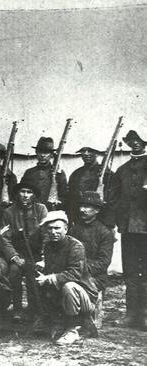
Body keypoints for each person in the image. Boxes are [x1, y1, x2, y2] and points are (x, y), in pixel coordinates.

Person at [34, 211, 99, 345]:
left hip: (84, 295)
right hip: (64, 294)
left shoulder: (76, 246)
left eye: (57, 228)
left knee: (68, 286)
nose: (53, 232)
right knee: (39, 280)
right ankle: (54, 321)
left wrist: (49, 277)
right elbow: (53, 269)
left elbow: (74, 274)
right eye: (50, 228)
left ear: (66, 229)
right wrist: (44, 268)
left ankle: (71, 330)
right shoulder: (49, 246)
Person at [107, 130, 147, 330]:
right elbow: (113, 198)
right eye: (131, 141)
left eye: (138, 141)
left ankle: (145, 316)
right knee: (130, 272)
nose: (135, 144)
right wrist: (119, 221)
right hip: (129, 229)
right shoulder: (122, 170)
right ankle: (131, 315)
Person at [0, 180, 48, 322]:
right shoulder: (9, 212)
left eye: (29, 192)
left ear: (34, 195)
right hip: (18, 253)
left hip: (36, 254)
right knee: (14, 272)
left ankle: (35, 309)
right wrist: (14, 257)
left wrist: (43, 257)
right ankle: (17, 309)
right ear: (17, 194)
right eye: (22, 192)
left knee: (35, 276)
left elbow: (46, 235)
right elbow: (4, 238)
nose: (25, 195)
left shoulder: (41, 210)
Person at [68, 191, 113, 329]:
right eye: (81, 206)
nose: (82, 210)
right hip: (74, 272)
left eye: (87, 207)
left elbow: (103, 262)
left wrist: (82, 270)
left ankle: (88, 315)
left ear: (97, 210)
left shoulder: (104, 233)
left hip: (95, 276)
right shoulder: (74, 229)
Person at [68, 147, 114, 225]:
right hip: (79, 219)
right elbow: (71, 198)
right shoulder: (76, 174)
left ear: (96, 153)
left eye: (90, 151)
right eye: (83, 151)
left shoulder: (108, 174)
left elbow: (113, 200)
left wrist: (109, 222)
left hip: (101, 220)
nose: (86, 154)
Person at [21, 137, 68, 210]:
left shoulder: (59, 173)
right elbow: (22, 193)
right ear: (36, 153)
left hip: (51, 211)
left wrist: (58, 202)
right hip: (32, 211)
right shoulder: (29, 172)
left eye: (46, 152)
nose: (42, 155)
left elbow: (64, 195)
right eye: (40, 152)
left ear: (51, 154)